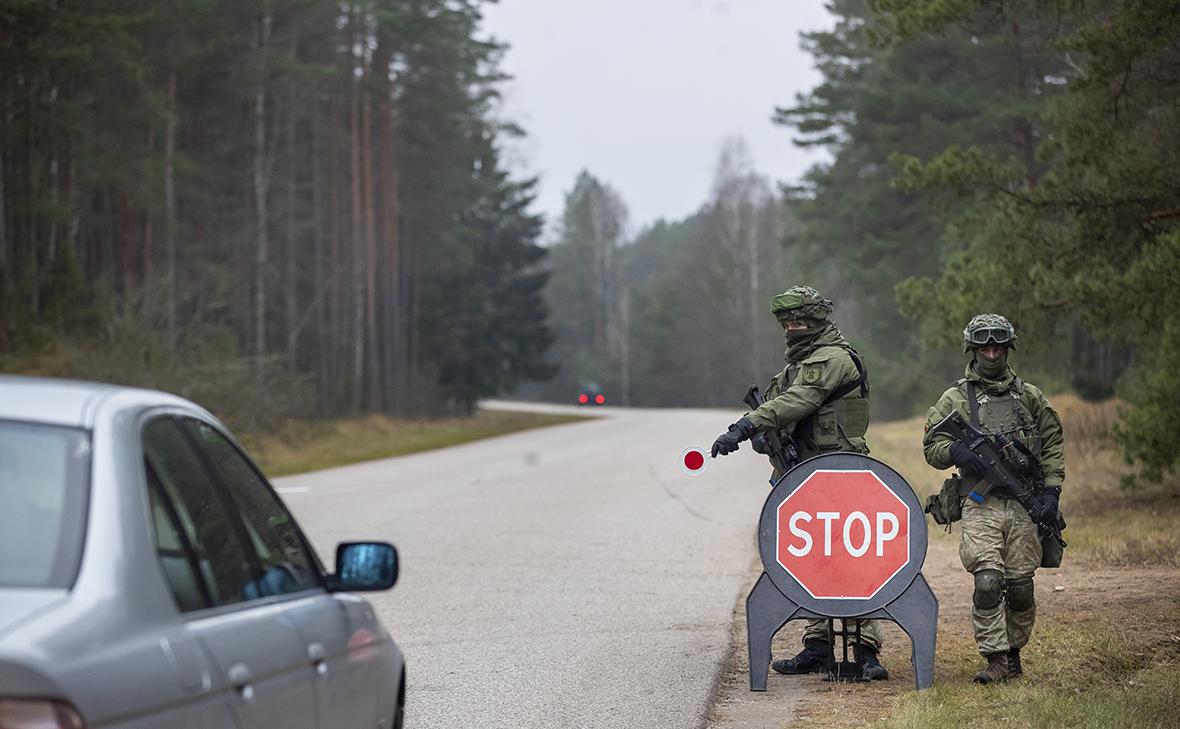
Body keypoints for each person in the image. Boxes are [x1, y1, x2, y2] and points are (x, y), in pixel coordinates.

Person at [710, 285, 887, 680]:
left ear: (819, 320)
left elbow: (799, 400)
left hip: (840, 471)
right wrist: (763, 436)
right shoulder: (796, 364)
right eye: (787, 322)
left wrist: (745, 426)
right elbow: (781, 406)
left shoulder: (833, 358)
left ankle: (864, 648)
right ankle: (820, 644)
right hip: (804, 477)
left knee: (851, 559)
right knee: (812, 561)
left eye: (800, 320)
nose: (792, 327)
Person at [921, 313, 1064, 684]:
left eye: (997, 345)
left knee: (1020, 588)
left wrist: (1051, 492)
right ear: (972, 348)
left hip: (1023, 503)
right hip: (979, 503)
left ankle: (1015, 653)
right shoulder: (955, 398)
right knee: (987, 582)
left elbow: (1051, 445)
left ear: (1007, 348)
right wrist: (956, 452)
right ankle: (996, 658)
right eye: (984, 346)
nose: (991, 352)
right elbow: (931, 447)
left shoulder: (1030, 397)